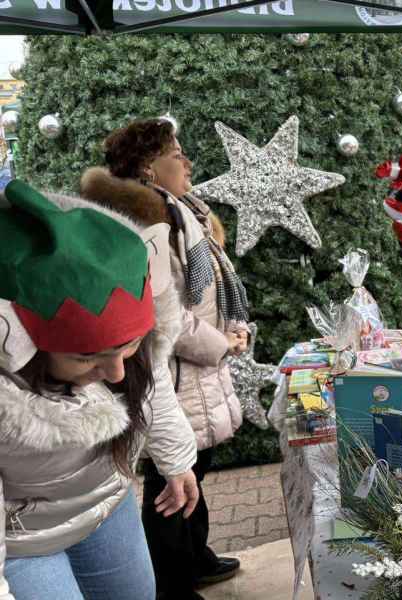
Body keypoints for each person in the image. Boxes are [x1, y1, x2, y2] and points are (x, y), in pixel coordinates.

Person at [0, 180, 199, 600]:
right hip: (18, 545)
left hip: (106, 505)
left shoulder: (132, 352)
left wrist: (176, 459)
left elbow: (153, 380)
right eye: (86, 358)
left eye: (126, 349)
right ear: (23, 346)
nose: (115, 374)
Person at [81, 118, 249, 599]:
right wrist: (223, 344)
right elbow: (163, 316)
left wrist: (230, 328)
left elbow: (203, 296)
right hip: (175, 375)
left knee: (196, 466)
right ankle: (172, 583)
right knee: (170, 481)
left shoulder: (179, 213)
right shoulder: (150, 224)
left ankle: (197, 558)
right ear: (148, 169)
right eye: (177, 153)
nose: (188, 161)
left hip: (196, 370)